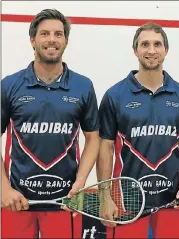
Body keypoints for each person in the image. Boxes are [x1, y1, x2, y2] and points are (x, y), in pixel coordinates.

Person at [1, 9, 100, 238]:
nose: (52, 40)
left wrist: (81, 184)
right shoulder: (9, 85)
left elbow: (93, 138)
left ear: (65, 41)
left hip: (65, 202)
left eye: (58, 34)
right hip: (17, 202)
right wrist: (3, 188)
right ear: (32, 40)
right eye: (44, 34)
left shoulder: (83, 86)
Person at [97, 22, 179, 238]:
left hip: (172, 197)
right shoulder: (114, 96)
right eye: (145, 44)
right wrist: (104, 196)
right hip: (126, 198)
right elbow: (104, 146)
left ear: (166, 50)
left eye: (157, 44)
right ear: (135, 50)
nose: (151, 50)